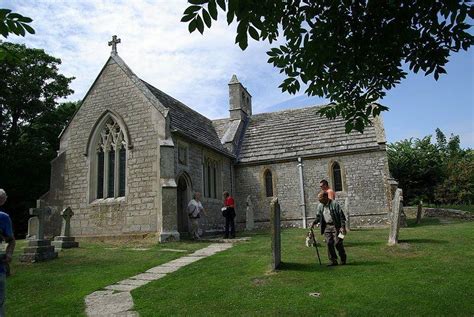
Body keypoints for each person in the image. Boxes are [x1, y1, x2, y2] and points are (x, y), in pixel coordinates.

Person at [311, 191, 346, 266]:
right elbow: (318, 216)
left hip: (337, 227)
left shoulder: (335, 204)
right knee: (329, 243)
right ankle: (333, 261)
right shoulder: (320, 206)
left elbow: (341, 216)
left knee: (338, 243)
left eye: (320, 198)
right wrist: (314, 222)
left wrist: (343, 227)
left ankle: (343, 259)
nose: (319, 200)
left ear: (326, 197)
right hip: (327, 227)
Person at [0, 189, 15, 316]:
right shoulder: (4, 218)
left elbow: (10, 240)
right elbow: (11, 241)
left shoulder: (3, 218)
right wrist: (9, 254)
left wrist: (8, 255)